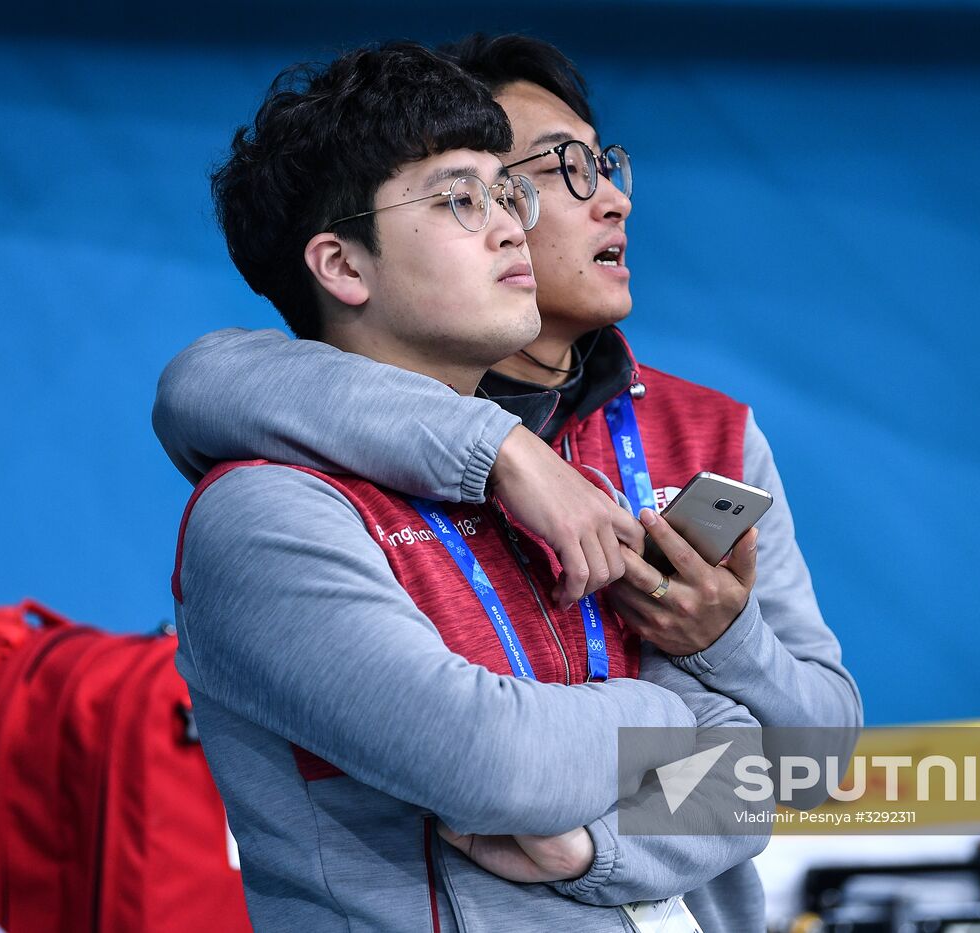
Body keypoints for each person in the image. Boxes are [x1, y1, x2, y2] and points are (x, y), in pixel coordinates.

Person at [170, 42, 770, 931]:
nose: (509, 226)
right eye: (459, 199)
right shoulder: (266, 514)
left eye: (506, 193)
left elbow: (751, 779)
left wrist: (596, 847)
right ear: (341, 267)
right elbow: (493, 762)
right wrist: (668, 715)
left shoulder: (558, 484)